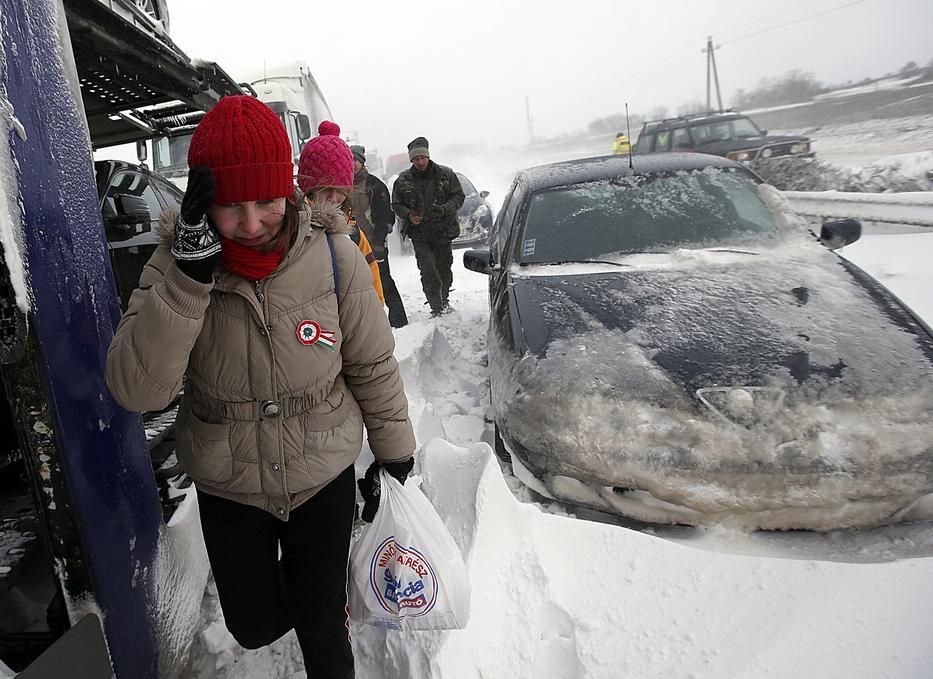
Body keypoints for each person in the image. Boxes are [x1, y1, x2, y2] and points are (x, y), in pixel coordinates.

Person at [104, 96, 415, 678]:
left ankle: (323, 597)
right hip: (231, 483)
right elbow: (138, 391)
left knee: (324, 629)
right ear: (204, 200)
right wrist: (190, 280)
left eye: (267, 202)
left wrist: (396, 451)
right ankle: (312, 594)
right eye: (230, 206)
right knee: (252, 624)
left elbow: (372, 363)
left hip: (321, 470)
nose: (251, 224)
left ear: (290, 191)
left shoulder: (333, 254)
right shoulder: (175, 267)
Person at [298, 121, 384, 304]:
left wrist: (377, 313)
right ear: (308, 188)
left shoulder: (353, 232)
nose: (334, 198)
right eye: (326, 189)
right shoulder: (293, 228)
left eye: (341, 190)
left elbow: (372, 278)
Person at [391, 136, 464, 317]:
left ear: (428, 156)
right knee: (428, 269)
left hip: (443, 231)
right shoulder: (402, 180)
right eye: (416, 159)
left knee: (444, 268)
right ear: (411, 160)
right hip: (420, 234)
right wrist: (409, 215)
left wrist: (445, 209)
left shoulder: (446, 174)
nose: (420, 162)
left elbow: (458, 197)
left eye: (423, 158)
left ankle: (444, 298)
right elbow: (396, 204)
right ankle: (436, 306)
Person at [349, 144, 408, 328]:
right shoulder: (341, 185)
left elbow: (384, 217)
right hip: (351, 243)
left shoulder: (374, 185)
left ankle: (398, 319)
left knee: (383, 280)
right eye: (349, 160)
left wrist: (379, 245)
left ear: (362, 162)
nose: (352, 164)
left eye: (355, 160)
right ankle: (369, 321)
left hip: (374, 242)